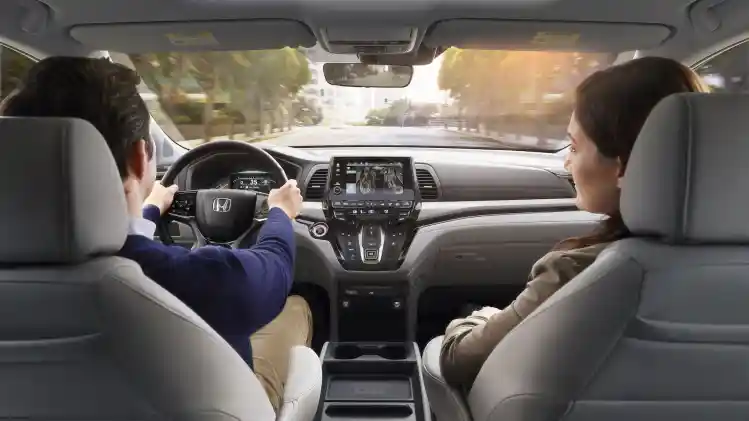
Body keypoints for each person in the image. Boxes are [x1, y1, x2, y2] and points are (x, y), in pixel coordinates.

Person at [1, 56, 312, 411]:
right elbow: (272, 271)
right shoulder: (184, 279)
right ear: (139, 157)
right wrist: (280, 213)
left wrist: (149, 209)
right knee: (295, 307)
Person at [439, 56, 710, 391]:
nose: (567, 162)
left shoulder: (577, 272)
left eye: (575, 146)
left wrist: (479, 318)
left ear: (624, 166)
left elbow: (457, 361)